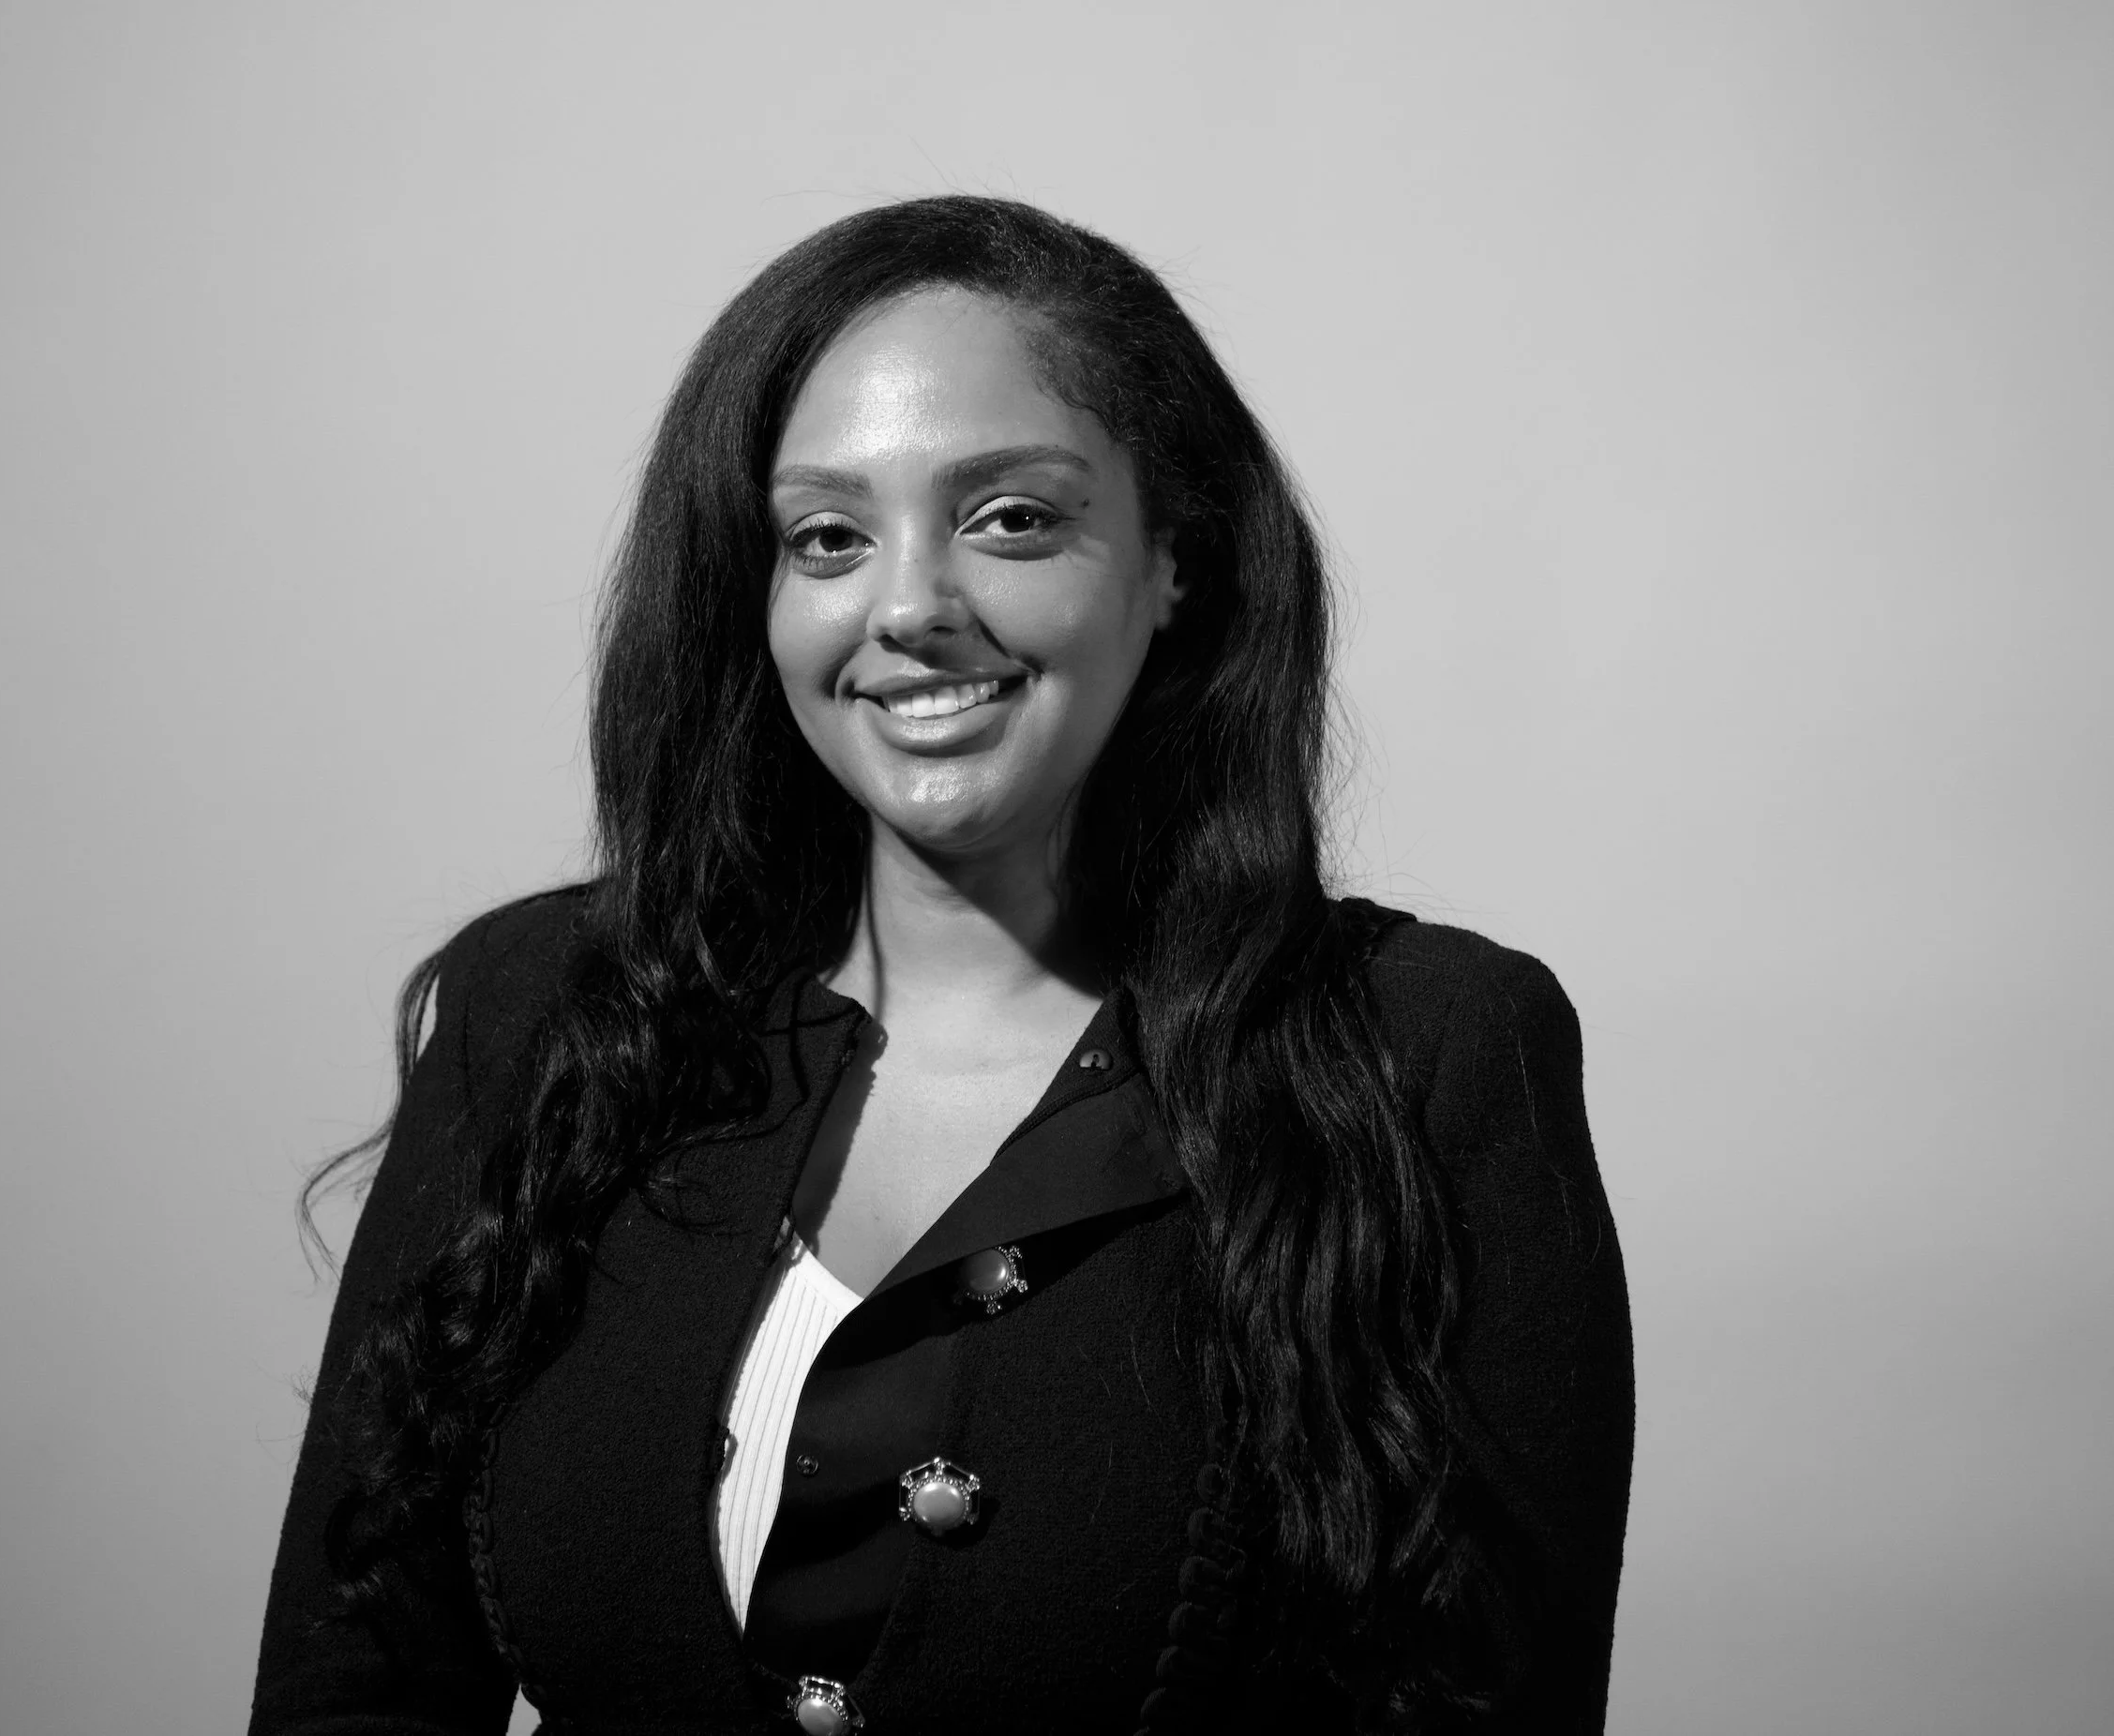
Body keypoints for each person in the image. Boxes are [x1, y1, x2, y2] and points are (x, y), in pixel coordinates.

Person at [250, 195, 1633, 1736]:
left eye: (1010, 518)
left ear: (1173, 561)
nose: (908, 608)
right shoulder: (542, 1019)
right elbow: (350, 1693)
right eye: (826, 538)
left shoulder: (1424, 1055)